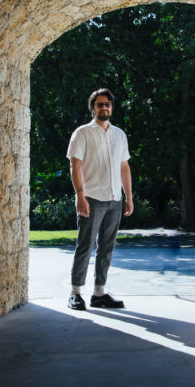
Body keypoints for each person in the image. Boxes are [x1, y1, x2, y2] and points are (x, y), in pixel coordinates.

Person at [66, 88, 134, 311]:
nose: (104, 107)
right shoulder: (82, 133)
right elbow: (75, 165)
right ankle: (75, 292)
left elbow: (124, 167)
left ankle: (99, 293)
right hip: (91, 198)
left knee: (107, 247)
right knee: (85, 245)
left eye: (107, 104)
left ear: (112, 108)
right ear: (92, 108)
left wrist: (129, 197)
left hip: (114, 198)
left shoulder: (119, 135)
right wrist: (80, 196)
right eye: (99, 104)